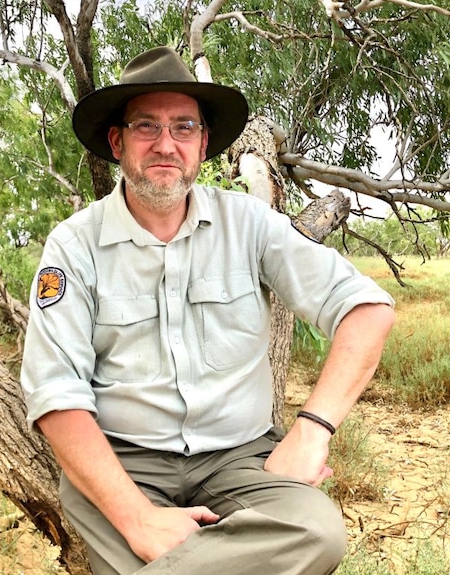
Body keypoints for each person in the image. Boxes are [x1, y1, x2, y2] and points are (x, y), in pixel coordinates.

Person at [21, 46, 395, 575]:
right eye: (146, 126)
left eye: (184, 127)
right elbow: (56, 395)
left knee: (317, 532)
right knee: (141, 539)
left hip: (240, 459)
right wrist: (137, 519)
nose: (165, 144)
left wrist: (312, 429)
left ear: (202, 144)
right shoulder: (74, 246)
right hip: (125, 464)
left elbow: (367, 308)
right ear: (117, 141)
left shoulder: (249, 223)